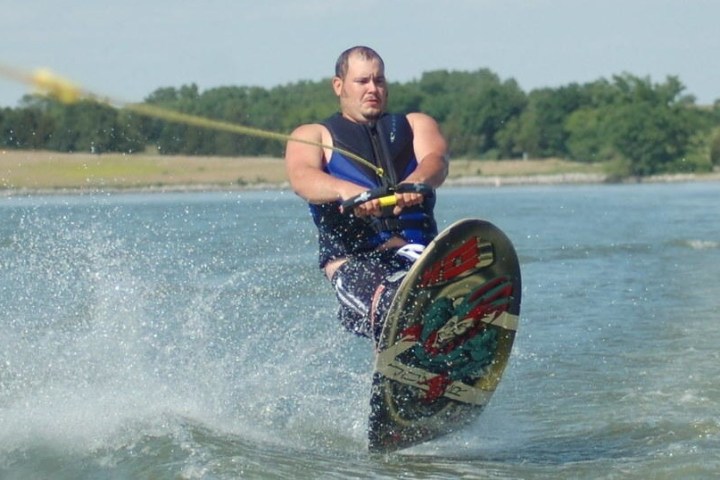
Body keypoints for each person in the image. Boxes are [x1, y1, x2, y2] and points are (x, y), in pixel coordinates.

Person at [285, 45, 449, 343]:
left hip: (417, 258)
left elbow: (436, 162)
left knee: (425, 305)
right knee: (390, 305)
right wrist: (347, 191)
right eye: (362, 81)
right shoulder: (313, 135)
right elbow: (302, 178)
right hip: (354, 263)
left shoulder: (416, 125)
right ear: (339, 86)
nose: (373, 88)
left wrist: (414, 184)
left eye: (379, 80)